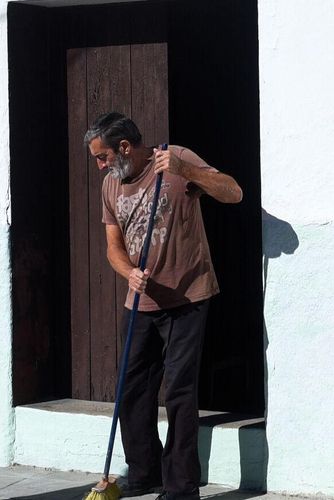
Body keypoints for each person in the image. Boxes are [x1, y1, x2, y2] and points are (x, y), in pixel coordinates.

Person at [85, 112, 242, 500]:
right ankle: (145, 470)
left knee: (179, 392)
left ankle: (180, 486)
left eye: (103, 157)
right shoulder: (110, 186)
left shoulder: (175, 159)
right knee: (132, 391)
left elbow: (232, 192)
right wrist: (128, 273)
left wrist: (186, 169)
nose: (100, 166)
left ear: (124, 147)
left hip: (188, 296)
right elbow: (113, 246)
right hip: (140, 300)